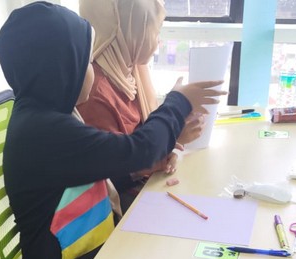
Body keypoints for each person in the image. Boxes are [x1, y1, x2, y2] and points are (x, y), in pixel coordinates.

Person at [0, 1, 225, 259]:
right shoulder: (46, 131)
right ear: (63, 68)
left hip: (88, 250)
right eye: (87, 62)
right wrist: (177, 102)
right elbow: (141, 148)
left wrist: (135, 171)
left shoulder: (48, 115)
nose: (93, 70)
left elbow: (83, 179)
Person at [77, 0, 210, 212]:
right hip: (118, 209)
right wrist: (172, 135)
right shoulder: (95, 93)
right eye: (153, 30)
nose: (158, 40)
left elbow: (145, 135)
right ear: (130, 31)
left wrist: (169, 142)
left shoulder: (131, 70)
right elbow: (109, 178)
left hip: (145, 190)